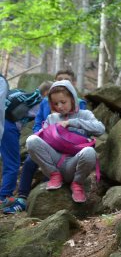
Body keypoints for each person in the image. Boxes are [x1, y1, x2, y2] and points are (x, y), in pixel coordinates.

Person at [4, 70, 86, 214]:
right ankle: (22, 199)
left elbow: (80, 126)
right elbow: (38, 123)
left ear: (73, 84)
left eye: (66, 80)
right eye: (59, 79)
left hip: (66, 145)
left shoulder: (79, 103)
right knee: (29, 162)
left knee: (54, 167)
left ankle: (41, 198)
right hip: (46, 141)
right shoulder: (45, 102)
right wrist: (40, 135)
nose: (62, 82)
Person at [25, 81, 104, 203]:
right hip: (55, 163)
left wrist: (73, 123)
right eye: (56, 103)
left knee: (89, 152)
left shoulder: (85, 114)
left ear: (72, 98)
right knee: (31, 140)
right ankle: (54, 175)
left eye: (63, 102)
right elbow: (40, 139)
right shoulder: (51, 118)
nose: (60, 107)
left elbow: (100, 129)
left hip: (74, 164)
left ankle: (77, 184)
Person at [0, 81, 50, 205]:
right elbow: (48, 123)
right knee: (13, 163)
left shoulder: (24, 95)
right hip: (8, 126)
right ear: (46, 93)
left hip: (3, 121)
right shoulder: (42, 101)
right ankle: (5, 196)